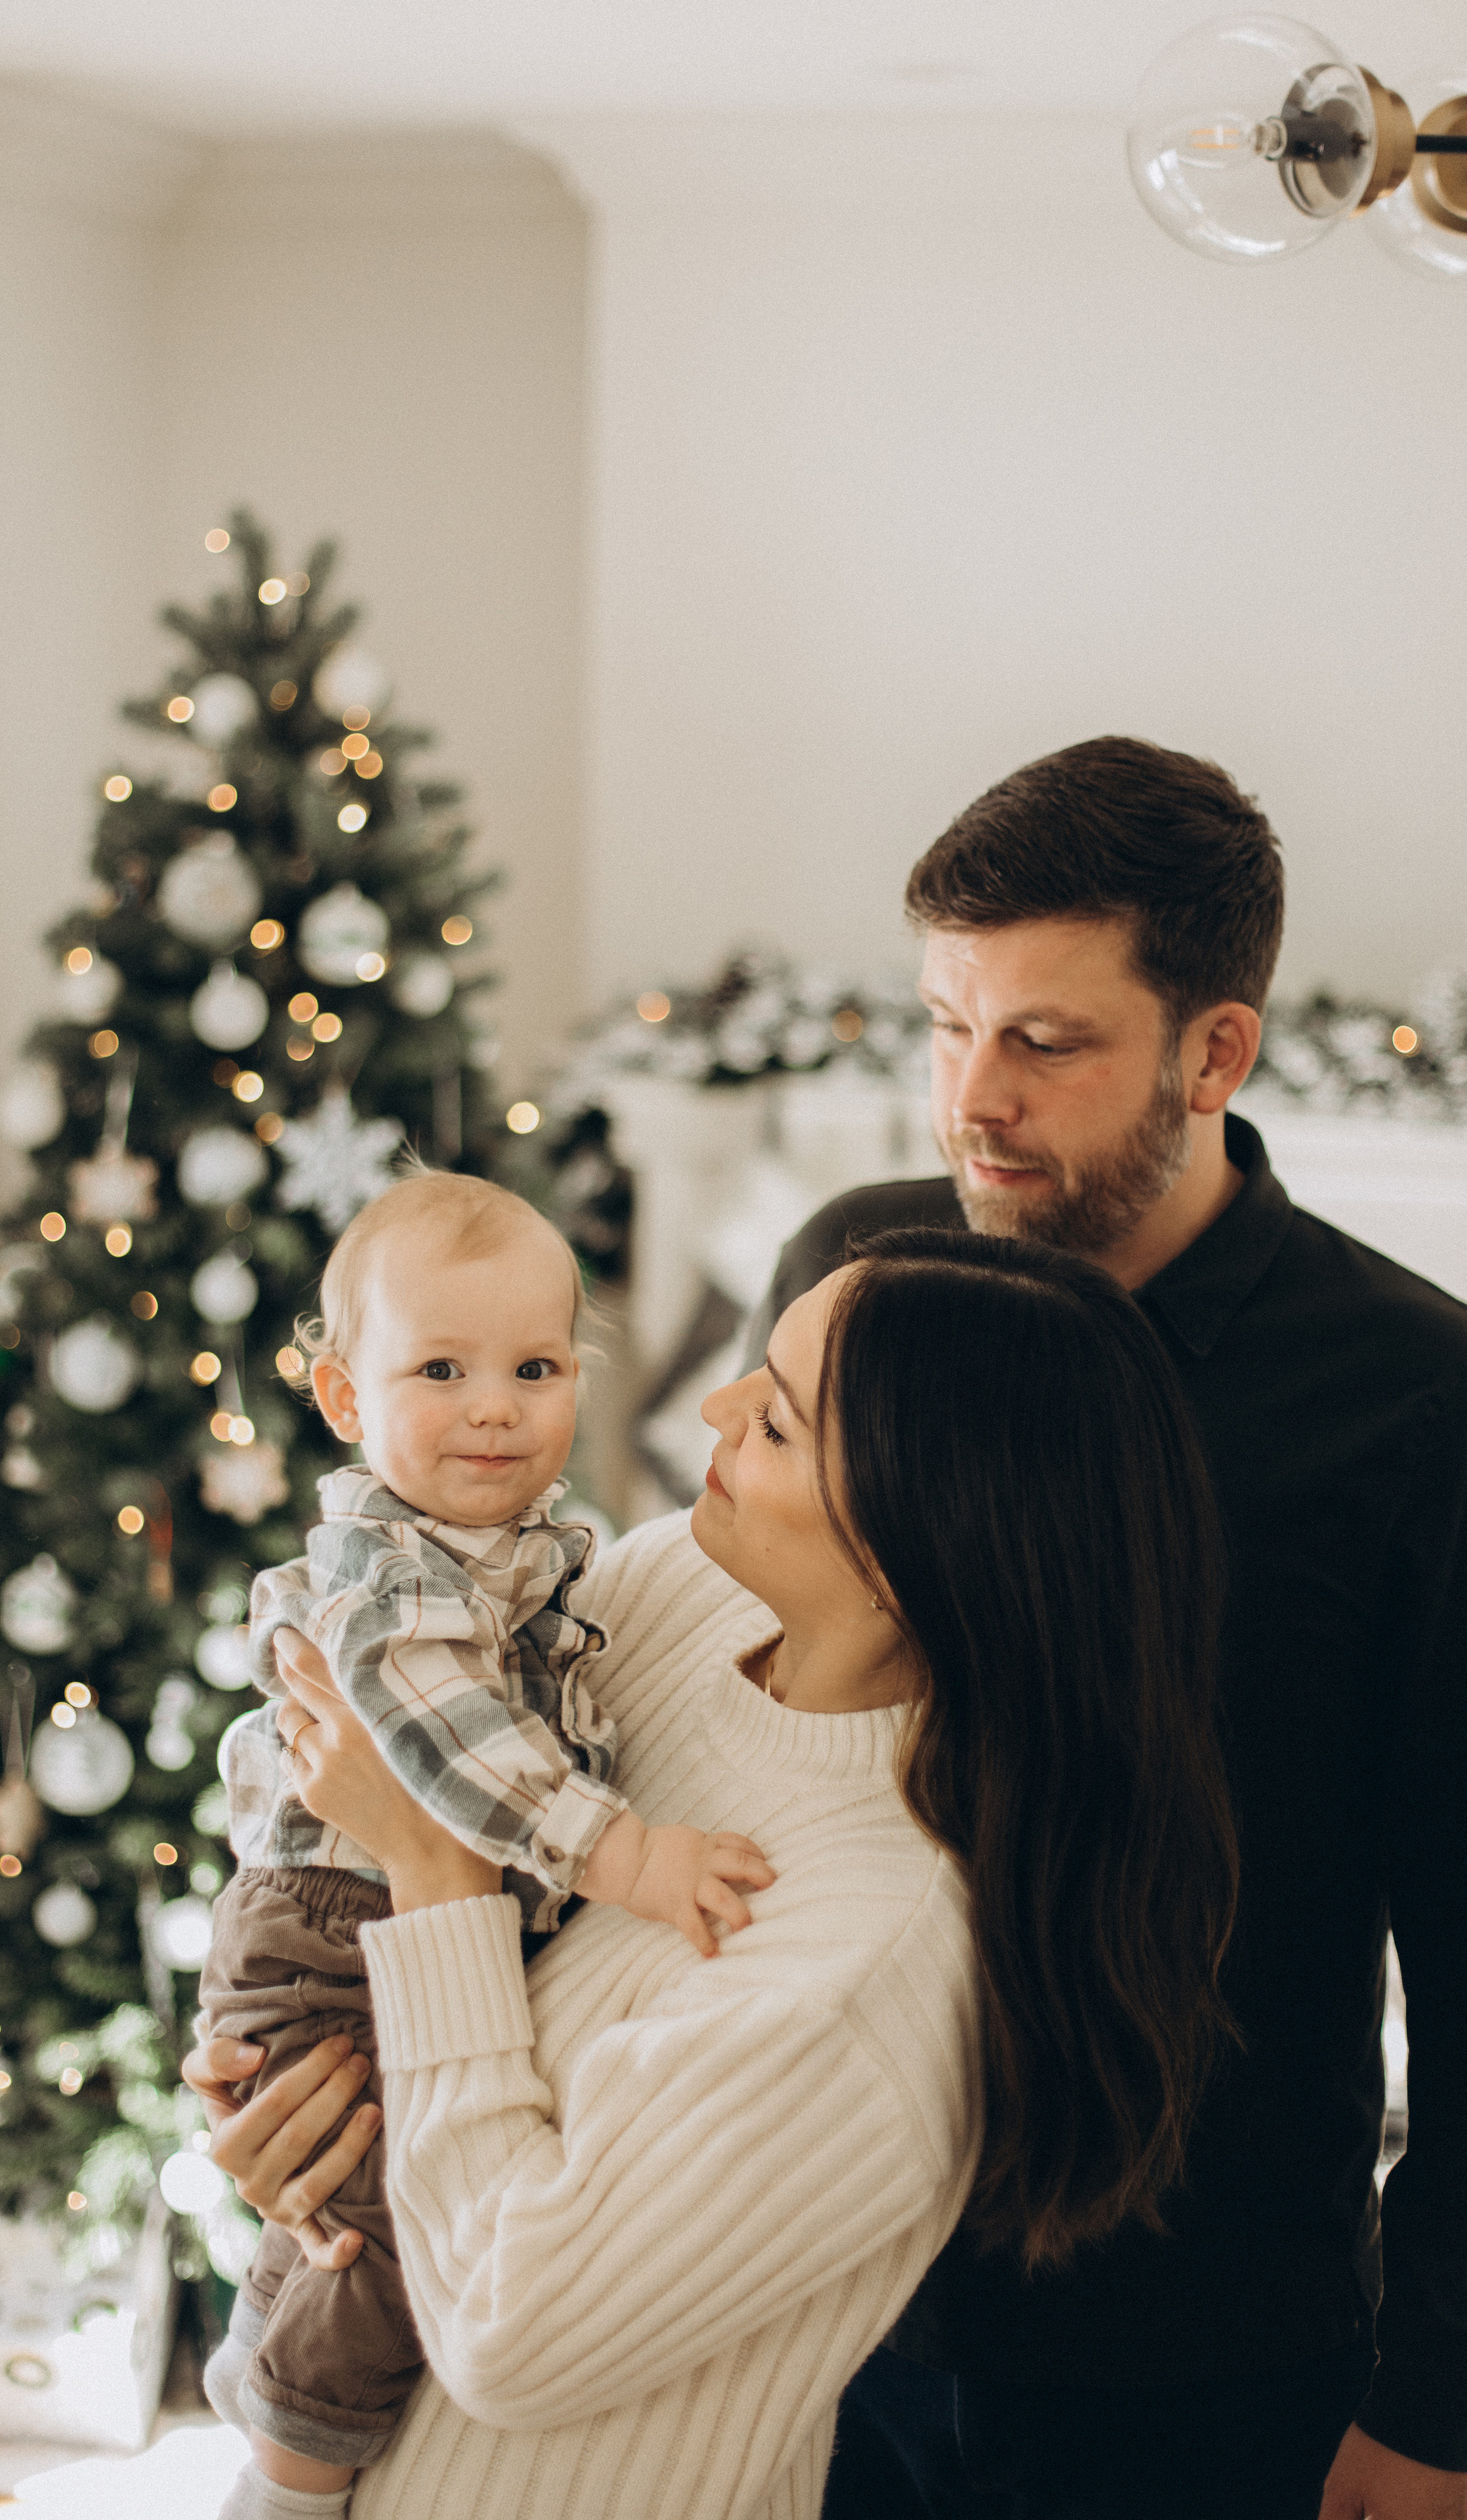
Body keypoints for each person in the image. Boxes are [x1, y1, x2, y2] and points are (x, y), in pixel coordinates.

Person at [186, 1228, 1239, 2520]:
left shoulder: (861, 1964)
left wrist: (431, 1866)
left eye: (780, 1421)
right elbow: (411, 1949)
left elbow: (507, 2333)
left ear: (912, 1549)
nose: (713, 1404)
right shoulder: (676, 1595)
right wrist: (295, 2080)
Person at [746, 736, 1467, 2520]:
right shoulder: (863, 1279)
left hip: (1203, 2350)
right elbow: (706, 1699)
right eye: (943, 1023)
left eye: (1043, 1042)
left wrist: (1443, 2401)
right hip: (809, 2295)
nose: (968, 1100)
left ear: (1214, 1049)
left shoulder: (1415, 1400)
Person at [196, 1171, 772, 2520]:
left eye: (534, 1366)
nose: (496, 1407)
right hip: (334, 1918)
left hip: (362, 1907)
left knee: (347, 2199)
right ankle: (291, 2474)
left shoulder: (525, 1552)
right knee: (388, 2219)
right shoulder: (396, 1574)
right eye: (440, 1369)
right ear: (346, 1401)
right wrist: (628, 1861)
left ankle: (266, 2400)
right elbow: (458, 1758)